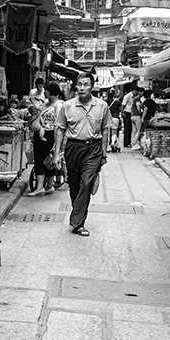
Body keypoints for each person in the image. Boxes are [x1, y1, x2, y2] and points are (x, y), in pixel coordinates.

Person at [53, 72, 112, 237]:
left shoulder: (102, 106)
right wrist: (57, 154)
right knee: (74, 184)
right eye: (79, 84)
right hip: (73, 147)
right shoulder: (67, 106)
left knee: (86, 183)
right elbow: (59, 130)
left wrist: (104, 152)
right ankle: (78, 213)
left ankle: (77, 222)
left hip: (93, 149)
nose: (82, 88)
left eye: (86, 84)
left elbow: (105, 129)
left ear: (92, 87)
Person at [26, 81, 61, 196]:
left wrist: (58, 142)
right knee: (39, 159)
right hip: (40, 133)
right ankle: (41, 187)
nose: (44, 92)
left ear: (50, 91)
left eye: (46, 90)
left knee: (48, 160)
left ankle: (48, 186)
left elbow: (59, 125)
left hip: (50, 135)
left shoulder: (59, 106)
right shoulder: (45, 103)